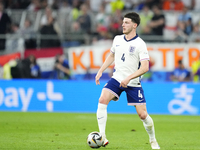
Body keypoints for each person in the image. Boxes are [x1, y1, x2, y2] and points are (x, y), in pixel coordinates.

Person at [95, 12, 160, 149]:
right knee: (102, 100)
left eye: (127, 22)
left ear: (134, 25)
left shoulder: (140, 44)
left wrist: (129, 78)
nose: (123, 25)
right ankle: (102, 136)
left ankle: (153, 140)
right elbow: (111, 56)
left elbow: (145, 67)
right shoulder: (117, 39)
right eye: (123, 22)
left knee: (143, 115)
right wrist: (101, 70)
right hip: (117, 78)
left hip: (133, 83)